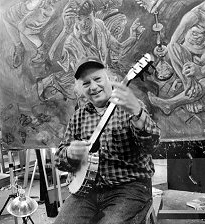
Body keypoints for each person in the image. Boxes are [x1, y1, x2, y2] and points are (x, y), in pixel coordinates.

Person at [54, 57, 161, 224]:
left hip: (129, 188)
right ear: (81, 90)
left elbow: (152, 145)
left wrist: (138, 114)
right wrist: (69, 153)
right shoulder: (78, 116)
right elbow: (59, 159)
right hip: (86, 192)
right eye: (86, 83)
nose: (94, 87)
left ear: (109, 79)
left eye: (97, 79)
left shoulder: (129, 106)